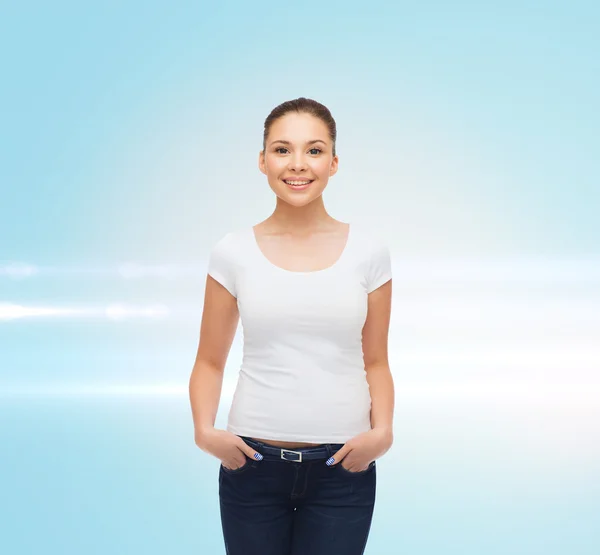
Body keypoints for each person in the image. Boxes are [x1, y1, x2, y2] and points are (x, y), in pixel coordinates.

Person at [189, 97, 394, 555]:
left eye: (314, 150)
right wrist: (206, 432)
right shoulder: (232, 252)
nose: (298, 164)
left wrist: (382, 433)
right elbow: (208, 360)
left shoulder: (369, 252)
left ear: (334, 163)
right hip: (253, 466)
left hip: (344, 471)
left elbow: (376, 360)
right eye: (282, 150)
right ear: (262, 161)